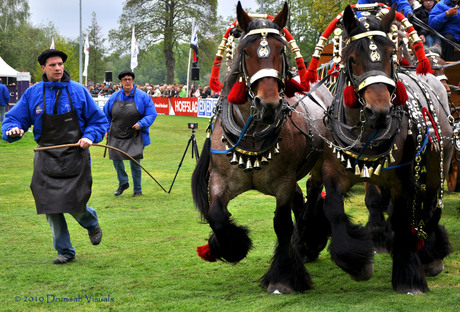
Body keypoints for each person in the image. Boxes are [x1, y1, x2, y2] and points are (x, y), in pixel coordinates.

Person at [1, 49, 108, 264]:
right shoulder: (33, 93)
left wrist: (89, 136)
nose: (58, 68)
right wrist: (12, 130)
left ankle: (90, 221)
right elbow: (13, 119)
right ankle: (65, 251)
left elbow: (99, 122)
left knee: (74, 202)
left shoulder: (78, 91)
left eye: (60, 64)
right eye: (53, 65)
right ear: (43, 68)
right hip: (46, 156)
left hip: (75, 155)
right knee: (49, 205)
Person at [103, 70, 157, 197]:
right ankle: (123, 182)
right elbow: (105, 115)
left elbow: (151, 114)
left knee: (135, 161)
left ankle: (137, 189)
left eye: (129, 79)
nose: (127, 81)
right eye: (125, 79)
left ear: (133, 81)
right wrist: (107, 129)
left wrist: (141, 124)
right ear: (121, 82)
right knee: (116, 158)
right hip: (116, 133)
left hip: (135, 134)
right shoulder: (114, 97)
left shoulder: (143, 96)